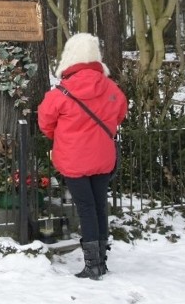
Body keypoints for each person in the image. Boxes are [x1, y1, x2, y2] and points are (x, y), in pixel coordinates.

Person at [37, 33, 127, 280]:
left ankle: (92, 265)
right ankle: (102, 261)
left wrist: (63, 134)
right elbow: (120, 113)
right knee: (99, 206)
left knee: (86, 208)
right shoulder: (111, 88)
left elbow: (45, 122)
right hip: (103, 157)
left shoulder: (61, 93)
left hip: (74, 159)